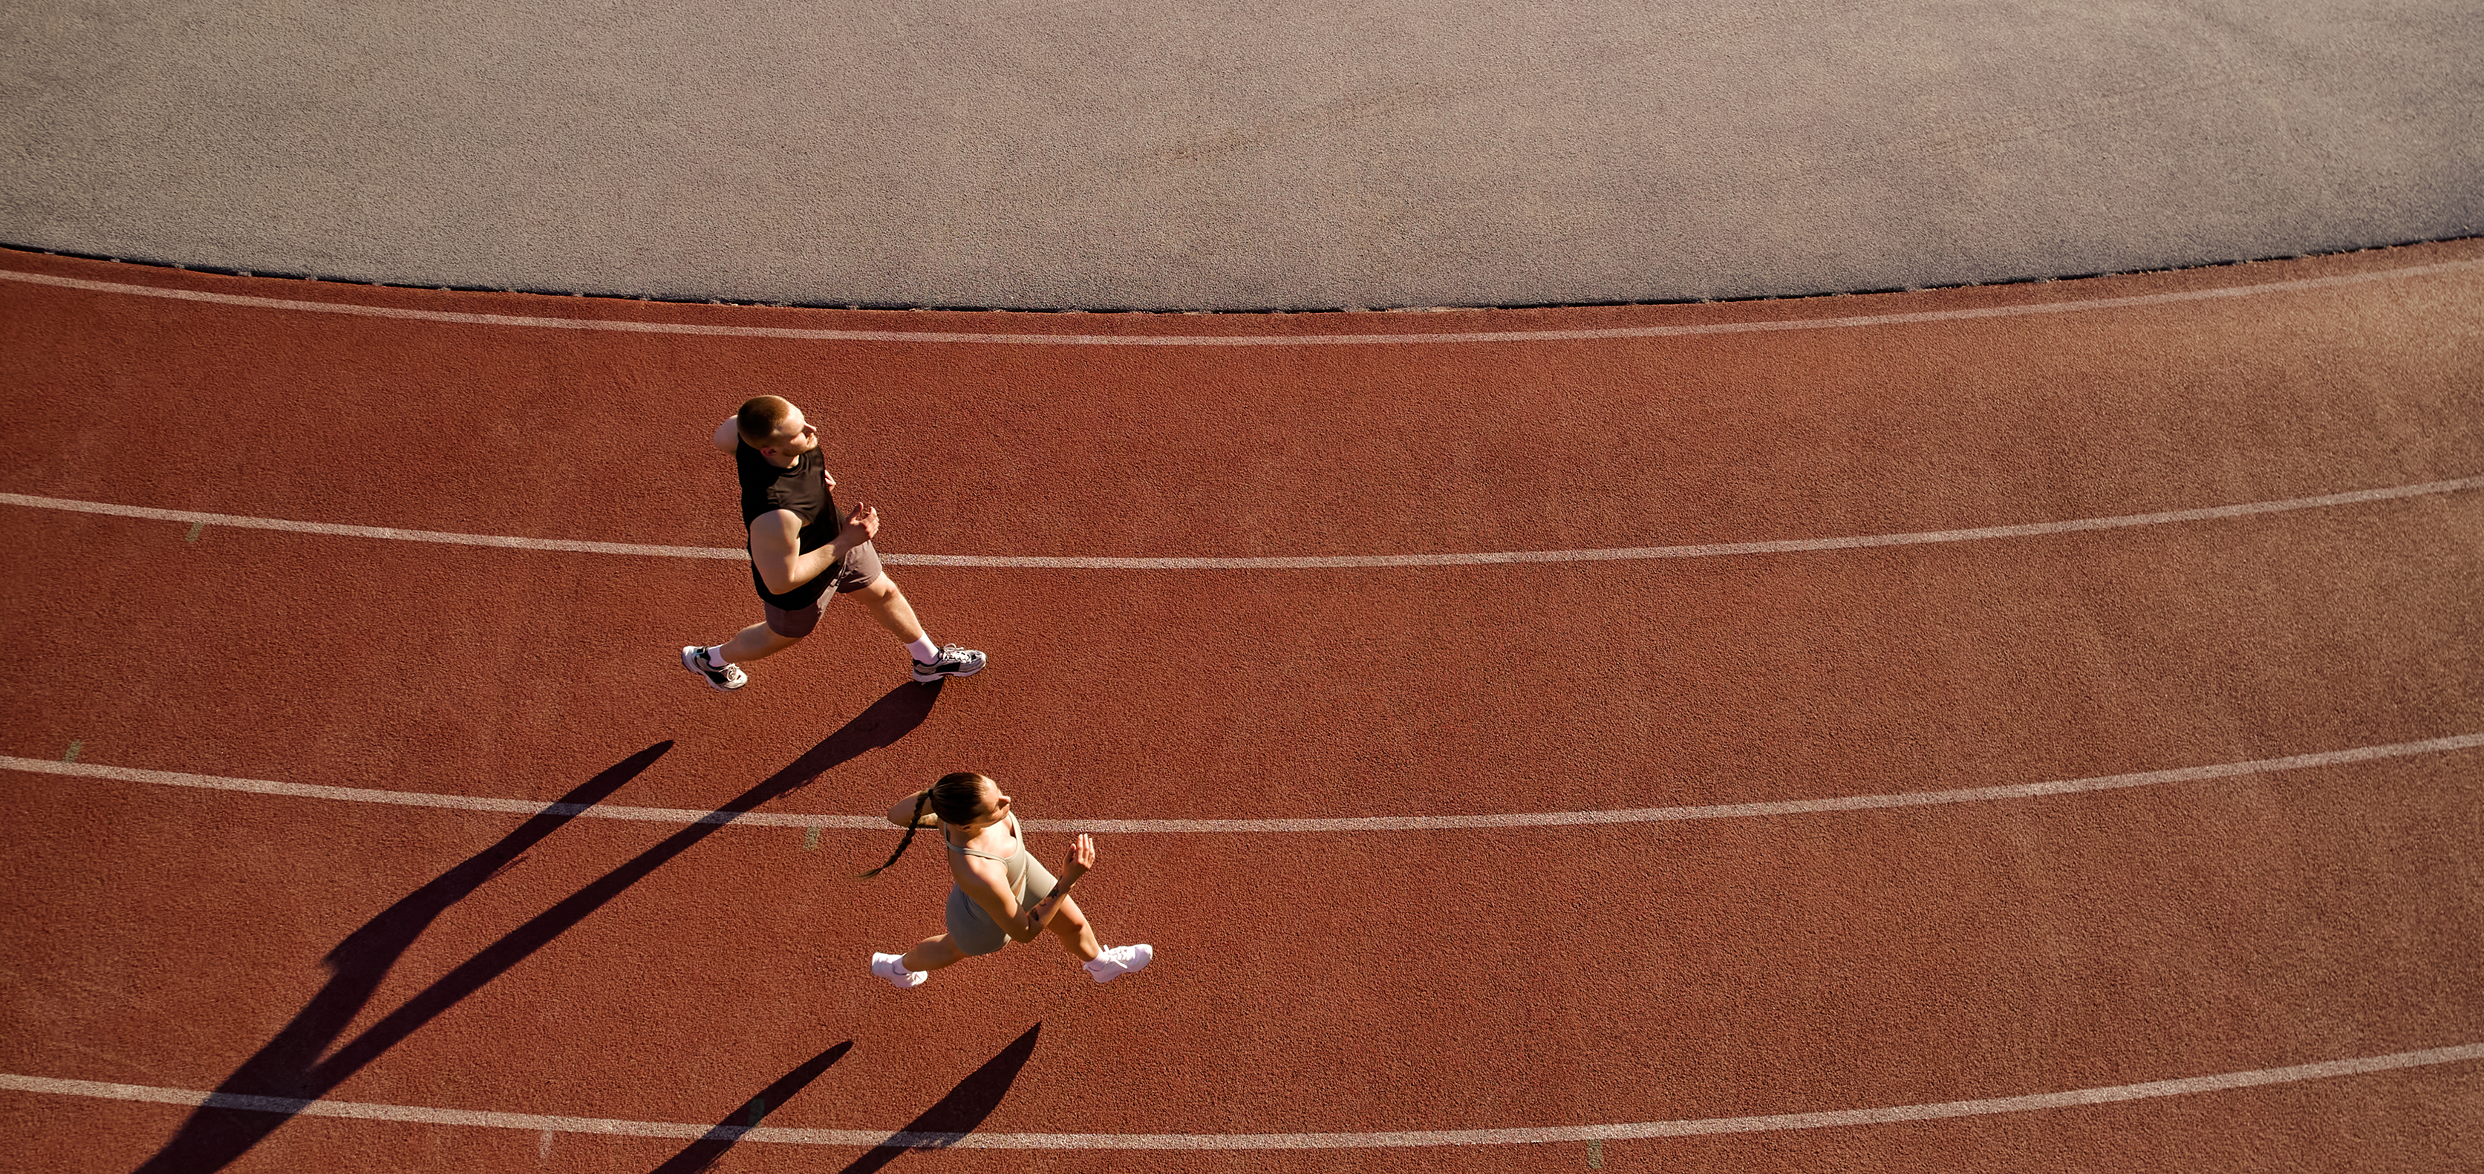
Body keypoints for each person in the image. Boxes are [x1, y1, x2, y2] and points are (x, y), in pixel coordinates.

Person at [681, 395, 985, 690]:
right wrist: (845, 541)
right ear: (769, 451)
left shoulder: (756, 441)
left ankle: (928, 660)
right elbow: (781, 581)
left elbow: (724, 435)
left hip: (835, 533)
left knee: (884, 593)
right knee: (781, 636)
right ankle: (710, 659)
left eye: (802, 420)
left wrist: (811, 481)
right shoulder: (776, 515)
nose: (811, 430)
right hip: (804, 575)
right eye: (798, 433)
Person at [864, 772, 1152, 988]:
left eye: (998, 791)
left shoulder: (957, 813)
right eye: (996, 806)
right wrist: (1067, 880)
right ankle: (898, 968)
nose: (1007, 801)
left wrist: (942, 796)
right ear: (966, 825)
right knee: (950, 948)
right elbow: (1024, 933)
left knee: (1075, 924)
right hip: (981, 920)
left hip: (1019, 871)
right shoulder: (979, 871)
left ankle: (1101, 966)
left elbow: (896, 815)